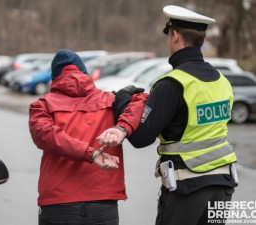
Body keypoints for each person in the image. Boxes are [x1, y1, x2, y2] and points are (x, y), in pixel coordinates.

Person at [97, 5, 238, 225]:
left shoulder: (172, 84)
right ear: (201, 39)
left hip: (187, 189)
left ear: (175, 36)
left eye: (169, 35)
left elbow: (141, 138)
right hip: (223, 186)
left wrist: (122, 102)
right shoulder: (221, 80)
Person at [28, 49, 145, 225]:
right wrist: (122, 128)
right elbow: (142, 99)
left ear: (55, 77)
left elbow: (48, 135)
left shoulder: (42, 105)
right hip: (102, 202)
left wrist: (92, 153)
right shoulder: (110, 100)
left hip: (59, 203)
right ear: (84, 73)